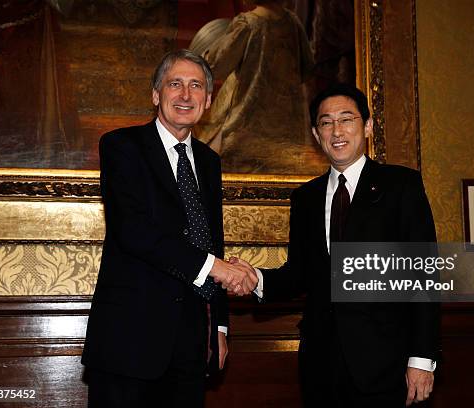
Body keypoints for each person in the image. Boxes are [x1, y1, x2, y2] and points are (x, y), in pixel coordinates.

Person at [233, 83, 440, 406]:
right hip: (322, 365)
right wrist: (255, 279)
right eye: (326, 122)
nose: (337, 130)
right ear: (317, 135)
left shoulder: (401, 186)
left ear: (367, 126)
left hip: (387, 365)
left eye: (347, 119)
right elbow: (300, 273)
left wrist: (422, 359)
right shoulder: (306, 197)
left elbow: (424, 275)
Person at [81, 49, 258, 408]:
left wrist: (219, 328)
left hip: (191, 346)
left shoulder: (209, 163)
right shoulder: (121, 146)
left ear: (208, 101)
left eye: (196, 86)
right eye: (175, 84)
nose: (185, 95)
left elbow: (212, 240)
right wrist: (214, 267)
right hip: (129, 343)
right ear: (156, 94)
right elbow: (133, 231)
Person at [195, 0, 327, 175]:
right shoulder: (293, 23)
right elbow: (307, 68)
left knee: (209, 160)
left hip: (246, 120)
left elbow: (216, 64)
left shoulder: (249, 24)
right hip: (286, 124)